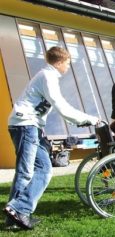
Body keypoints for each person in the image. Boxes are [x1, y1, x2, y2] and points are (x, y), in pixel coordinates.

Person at [3, 47, 100, 230]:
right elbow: (61, 107)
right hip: (26, 125)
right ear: (61, 62)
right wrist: (90, 119)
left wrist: (81, 120)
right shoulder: (48, 76)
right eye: (69, 63)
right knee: (26, 172)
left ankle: (17, 214)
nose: (69, 67)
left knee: (45, 170)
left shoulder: (48, 76)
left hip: (31, 126)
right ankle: (18, 212)